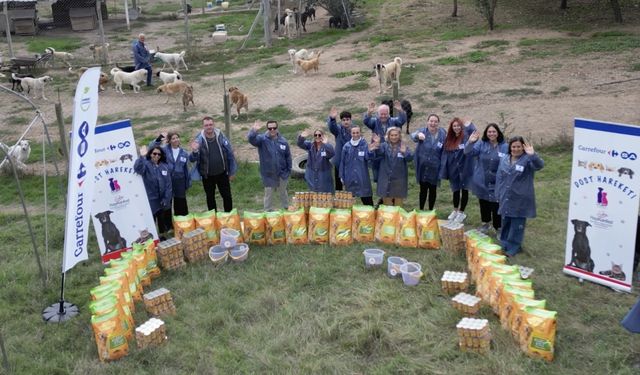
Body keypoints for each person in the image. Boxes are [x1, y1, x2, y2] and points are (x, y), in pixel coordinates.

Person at [495, 136, 544, 257]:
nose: (515, 149)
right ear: (509, 147)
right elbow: (499, 177)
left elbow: (539, 166)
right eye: (513, 146)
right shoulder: (505, 159)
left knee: (517, 224)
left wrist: (533, 155)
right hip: (505, 196)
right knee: (506, 221)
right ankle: (504, 244)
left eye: (518, 146)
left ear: (523, 147)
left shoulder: (527, 160)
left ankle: (512, 249)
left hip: (520, 198)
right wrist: (498, 193)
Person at [464, 123, 508, 234]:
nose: (491, 134)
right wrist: (470, 142)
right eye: (489, 132)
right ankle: (485, 224)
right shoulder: (481, 144)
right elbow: (467, 152)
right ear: (486, 133)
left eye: (494, 131)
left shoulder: (505, 146)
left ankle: (498, 228)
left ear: (498, 133)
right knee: (484, 203)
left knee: (496, 205)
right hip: (482, 180)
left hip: (498, 182)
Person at [189, 116, 237, 212]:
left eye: (210, 124)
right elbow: (192, 159)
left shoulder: (221, 137)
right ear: (203, 127)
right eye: (206, 125)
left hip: (222, 173)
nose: (209, 127)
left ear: (213, 125)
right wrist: (194, 151)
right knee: (210, 197)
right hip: (207, 175)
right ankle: (213, 218)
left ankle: (228, 216)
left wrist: (232, 171)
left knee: (227, 196)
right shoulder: (199, 140)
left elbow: (230, 154)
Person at [248, 120, 292, 211]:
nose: (272, 130)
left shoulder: (283, 141)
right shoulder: (262, 139)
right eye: (270, 128)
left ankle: (286, 209)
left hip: (282, 173)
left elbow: (288, 156)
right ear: (267, 129)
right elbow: (251, 140)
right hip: (268, 174)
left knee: (283, 192)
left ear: (277, 128)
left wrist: (289, 170)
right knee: (269, 194)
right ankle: (267, 211)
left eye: (274, 128)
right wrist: (254, 131)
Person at [440, 117, 476, 223]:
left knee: (464, 190)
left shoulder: (465, 137)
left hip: (465, 168)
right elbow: (445, 153)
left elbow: (474, 135)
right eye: (454, 126)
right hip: (453, 169)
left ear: (462, 127)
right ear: (452, 127)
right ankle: (455, 210)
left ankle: (461, 212)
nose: (456, 128)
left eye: (458, 126)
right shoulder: (449, 138)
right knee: (455, 190)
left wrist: (470, 125)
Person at [134, 145, 173, 238]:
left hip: (162, 198)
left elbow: (168, 184)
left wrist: (166, 198)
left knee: (162, 219)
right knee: (151, 219)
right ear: (150, 154)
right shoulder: (146, 164)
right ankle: (152, 238)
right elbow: (137, 169)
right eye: (154, 153)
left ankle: (163, 236)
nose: (156, 156)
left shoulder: (164, 166)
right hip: (151, 199)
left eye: (159, 154)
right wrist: (142, 156)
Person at [363, 100, 406, 182]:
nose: (383, 116)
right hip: (377, 153)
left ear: (389, 114)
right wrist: (368, 113)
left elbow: (402, 120)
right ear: (378, 114)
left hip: (390, 152)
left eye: (385, 114)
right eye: (381, 114)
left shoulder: (393, 121)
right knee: (377, 178)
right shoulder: (374, 122)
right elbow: (366, 121)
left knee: (390, 177)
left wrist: (400, 110)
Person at [150, 132, 191, 216]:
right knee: (167, 202)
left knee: (180, 203)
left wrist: (187, 183)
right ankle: (167, 225)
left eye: (177, 137)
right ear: (169, 141)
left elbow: (186, 169)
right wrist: (158, 139)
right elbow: (152, 148)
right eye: (173, 138)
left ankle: (181, 222)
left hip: (180, 181)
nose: (176, 140)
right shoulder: (164, 150)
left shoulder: (184, 153)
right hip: (167, 180)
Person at [412, 114, 446, 211]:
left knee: (432, 190)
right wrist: (417, 135)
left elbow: (444, 150)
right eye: (431, 121)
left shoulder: (442, 134)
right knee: (423, 189)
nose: (433, 123)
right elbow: (413, 136)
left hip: (435, 167)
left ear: (438, 123)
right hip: (423, 166)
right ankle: (421, 209)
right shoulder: (422, 131)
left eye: (435, 121)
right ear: (427, 122)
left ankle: (431, 210)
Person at [371, 127, 413, 206]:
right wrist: (377, 145)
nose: (394, 137)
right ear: (388, 136)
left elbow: (410, 158)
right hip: (386, 177)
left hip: (399, 178)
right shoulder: (383, 145)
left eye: (396, 135)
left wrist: (404, 153)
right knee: (387, 204)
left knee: (398, 203)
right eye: (392, 135)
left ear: (399, 135)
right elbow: (379, 153)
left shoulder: (403, 146)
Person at [339, 125, 374, 205]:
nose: (355, 134)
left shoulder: (364, 144)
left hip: (362, 176)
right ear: (350, 133)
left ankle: (370, 215)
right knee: (349, 203)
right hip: (349, 177)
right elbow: (342, 162)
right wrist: (342, 176)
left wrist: (371, 151)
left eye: (357, 132)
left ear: (360, 133)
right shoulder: (346, 146)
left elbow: (367, 158)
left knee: (367, 201)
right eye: (353, 133)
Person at [297, 129, 335, 193]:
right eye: (315, 135)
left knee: (325, 192)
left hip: (323, 173)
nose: (317, 136)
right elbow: (300, 144)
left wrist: (325, 144)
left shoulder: (327, 146)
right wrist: (302, 137)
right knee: (313, 191)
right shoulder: (310, 145)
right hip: (312, 172)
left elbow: (332, 153)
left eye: (319, 135)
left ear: (323, 136)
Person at [327, 107, 352, 191]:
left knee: (350, 183)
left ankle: (350, 200)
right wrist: (332, 119)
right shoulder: (338, 130)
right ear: (341, 121)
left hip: (350, 162)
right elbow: (332, 127)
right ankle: (338, 201)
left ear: (350, 120)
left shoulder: (354, 131)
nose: (346, 121)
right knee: (338, 185)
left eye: (347, 119)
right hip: (339, 161)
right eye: (344, 120)